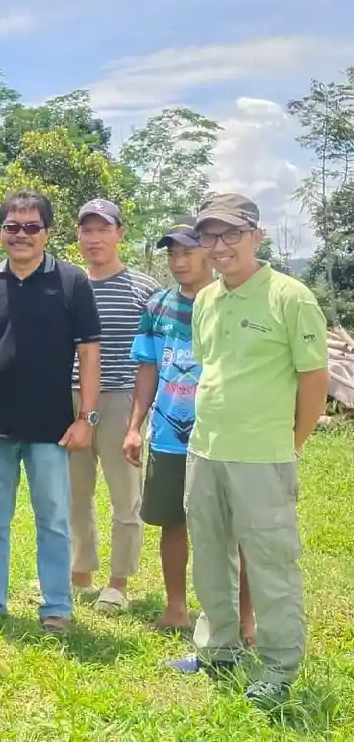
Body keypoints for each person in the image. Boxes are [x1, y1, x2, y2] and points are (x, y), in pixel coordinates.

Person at [166, 194, 328, 708]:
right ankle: (219, 651)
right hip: (205, 450)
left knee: (270, 564)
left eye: (231, 234)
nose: (219, 246)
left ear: (256, 236)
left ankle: (279, 667)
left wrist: (290, 444)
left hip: (263, 457)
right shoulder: (207, 300)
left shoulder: (290, 296)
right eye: (209, 236)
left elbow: (314, 379)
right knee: (210, 557)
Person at [0, 189, 102, 635]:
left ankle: (56, 608)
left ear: (47, 233)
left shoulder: (72, 282)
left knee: (53, 520)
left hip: (52, 427)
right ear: (0, 232)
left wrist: (85, 417)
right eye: (12, 227)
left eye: (32, 227)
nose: (21, 235)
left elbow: (90, 353)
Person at [123, 218, 255, 637]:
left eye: (187, 251)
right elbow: (147, 369)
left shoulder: (233, 303)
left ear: (209, 254)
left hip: (225, 435)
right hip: (168, 435)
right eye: (172, 253)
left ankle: (245, 617)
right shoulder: (158, 306)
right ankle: (176, 607)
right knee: (171, 522)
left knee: (238, 530)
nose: (179, 261)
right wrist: (134, 425)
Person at [68, 199, 160, 613]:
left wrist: (140, 417)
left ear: (120, 234)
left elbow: (153, 356)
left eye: (103, 229)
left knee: (126, 495)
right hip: (69, 396)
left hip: (122, 398)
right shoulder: (67, 284)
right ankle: (80, 573)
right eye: (87, 230)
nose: (94, 238)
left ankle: (118, 583)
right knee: (74, 491)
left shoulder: (145, 289)